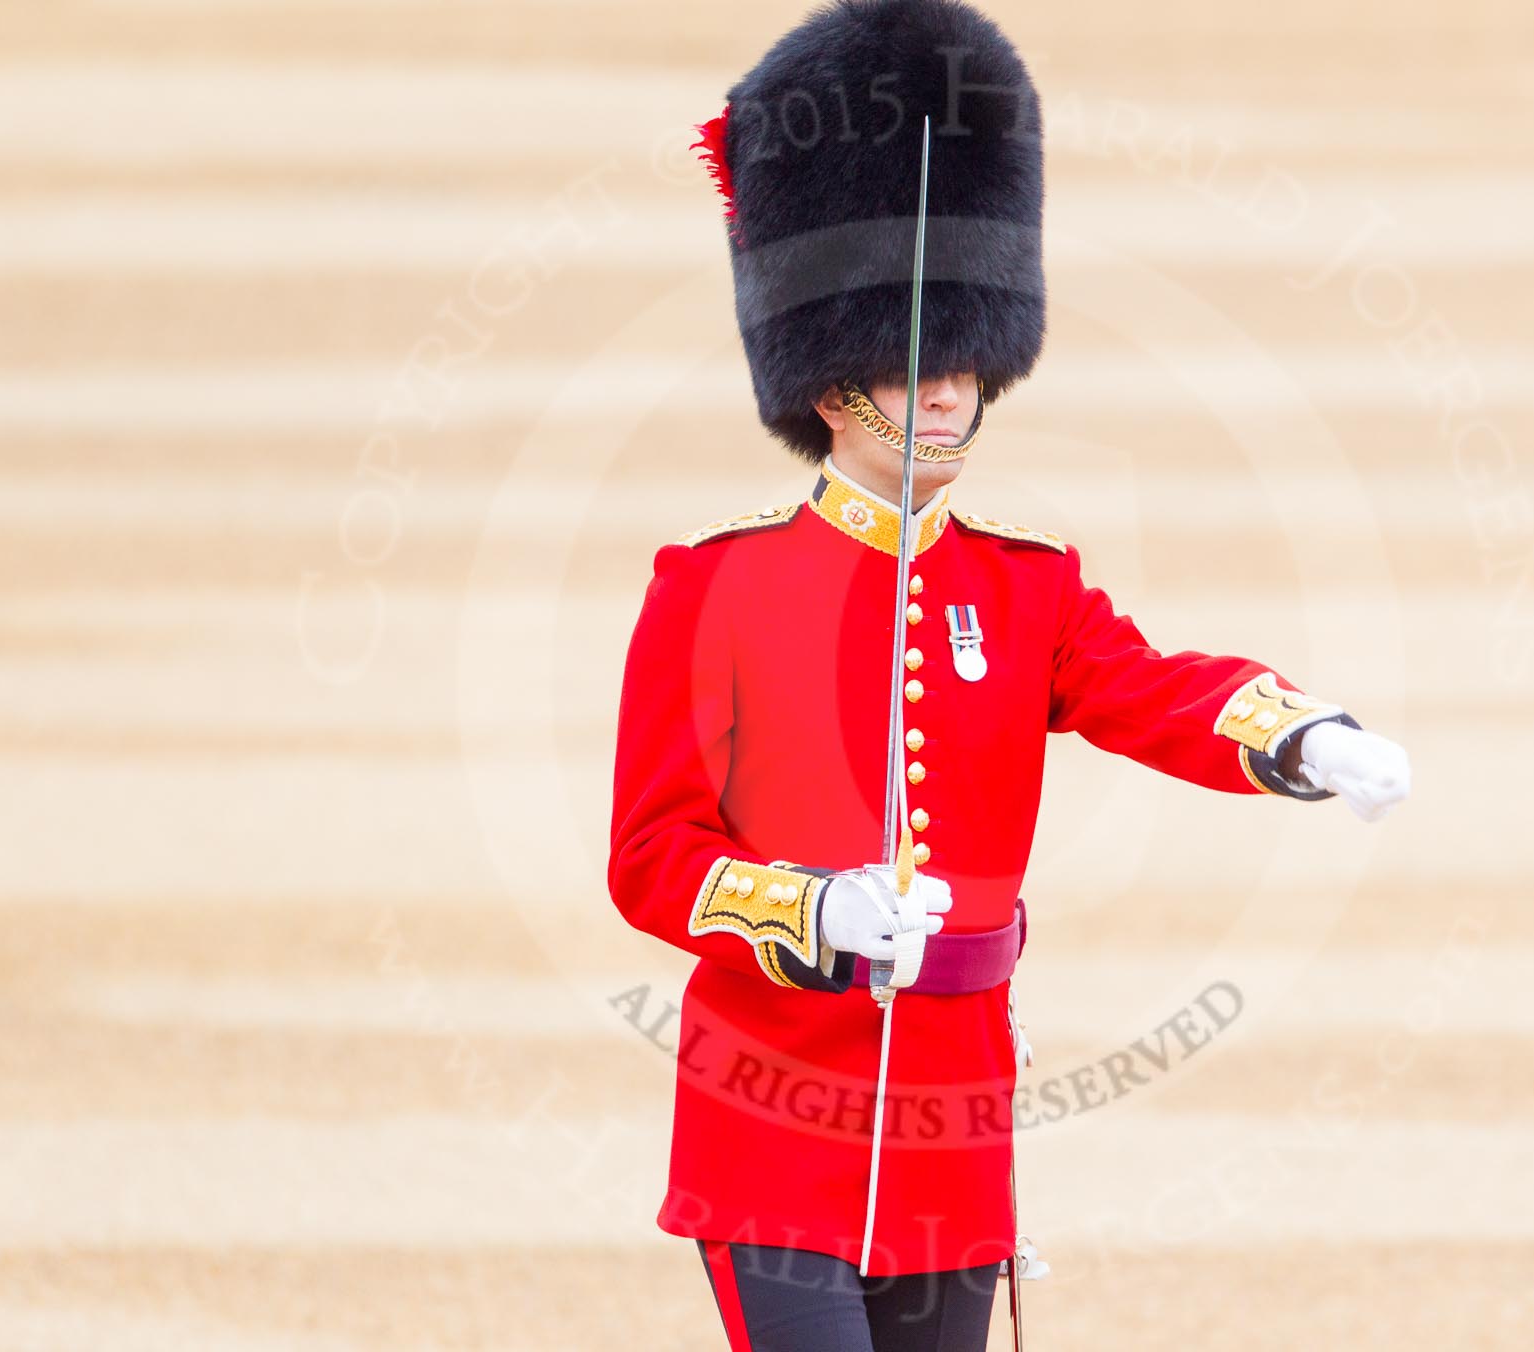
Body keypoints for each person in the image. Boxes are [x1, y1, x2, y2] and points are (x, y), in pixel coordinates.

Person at [605, 3, 1411, 1349]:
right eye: (902, 375)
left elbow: (1151, 689)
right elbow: (651, 855)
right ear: (827, 391)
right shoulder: (717, 587)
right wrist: (812, 913)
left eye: (960, 375)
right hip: (772, 1114)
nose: (938, 402)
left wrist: (1301, 736)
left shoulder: (1022, 588)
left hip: (949, 1124)